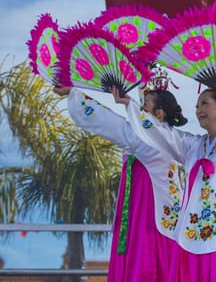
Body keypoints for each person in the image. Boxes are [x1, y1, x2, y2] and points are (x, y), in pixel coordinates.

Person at [123, 84, 216, 282]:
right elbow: (162, 134)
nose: (198, 110)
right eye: (197, 106)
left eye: (205, 103)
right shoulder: (193, 145)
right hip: (192, 233)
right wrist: (130, 105)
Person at [53, 84, 188, 282]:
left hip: (146, 214)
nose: (140, 109)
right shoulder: (172, 138)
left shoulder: (146, 138)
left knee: (146, 263)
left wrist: (74, 92)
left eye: (145, 105)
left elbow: (105, 120)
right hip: (167, 219)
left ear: (158, 114)